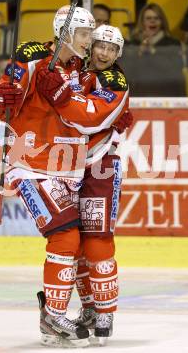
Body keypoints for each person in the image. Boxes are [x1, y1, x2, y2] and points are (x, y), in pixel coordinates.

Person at [0, 5, 130, 347]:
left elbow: (93, 110)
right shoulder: (33, 58)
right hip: (31, 165)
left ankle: (60, 315)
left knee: (77, 242)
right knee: (66, 239)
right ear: (65, 32)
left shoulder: (81, 69)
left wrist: (117, 118)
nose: (90, 42)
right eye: (83, 34)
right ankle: (53, 315)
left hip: (67, 170)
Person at [69, 25, 132, 344]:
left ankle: (105, 311)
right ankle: (89, 307)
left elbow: (85, 119)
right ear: (90, 46)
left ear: (119, 54)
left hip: (101, 167)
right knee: (75, 243)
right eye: (100, 46)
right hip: (68, 166)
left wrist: (59, 96)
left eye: (111, 48)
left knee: (97, 239)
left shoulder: (115, 81)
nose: (104, 53)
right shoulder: (77, 70)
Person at [121, 3, 186, 96]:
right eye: (148, 18)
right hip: (138, 96)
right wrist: (138, 53)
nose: (152, 21)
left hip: (167, 95)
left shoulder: (173, 43)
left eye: (156, 18)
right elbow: (125, 72)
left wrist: (152, 50)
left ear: (162, 22)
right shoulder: (133, 43)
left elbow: (175, 70)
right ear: (142, 22)